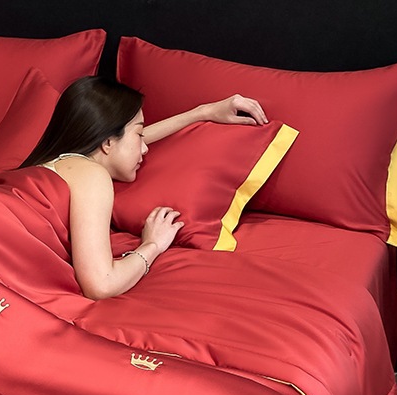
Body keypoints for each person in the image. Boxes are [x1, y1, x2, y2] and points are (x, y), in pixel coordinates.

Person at [20, 77, 268, 299]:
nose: (145, 148)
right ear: (107, 142)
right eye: (139, 135)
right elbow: (101, 285)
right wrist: (152, 245)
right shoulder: (92, 174)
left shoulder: (56, 164)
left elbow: (119, 142)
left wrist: (202, 112)